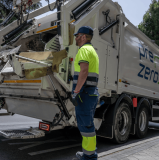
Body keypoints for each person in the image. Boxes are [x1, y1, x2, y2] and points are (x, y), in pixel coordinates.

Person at [70, 26, 99, 160]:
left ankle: (89, 156)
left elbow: (84, 71)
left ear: (83, 37)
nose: (75, 38)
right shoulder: (92, 50)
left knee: (85, 125)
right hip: (91, 93)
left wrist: (76, 92)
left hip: (84, 94)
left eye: (77, 36)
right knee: (88, 124)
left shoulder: (83, 50)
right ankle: (90, 153)